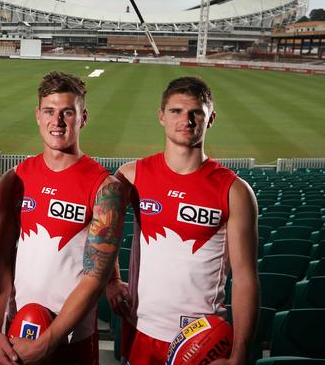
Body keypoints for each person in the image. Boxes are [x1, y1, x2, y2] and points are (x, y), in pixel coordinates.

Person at [107, 76, 259, 365]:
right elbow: (101, 231)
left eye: (196, 113)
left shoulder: (235, 190)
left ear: (210, 118)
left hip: (203, 339)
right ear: (161, 116)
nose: (186, 120)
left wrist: (240, 355)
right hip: (141, 329)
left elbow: (245, 277)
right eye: (176, 111)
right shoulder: (130, 176)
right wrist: (112, 280)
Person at [0, 71, 126, 365]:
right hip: (18, 333)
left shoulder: (105, 187)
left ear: (83, 117)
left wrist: (48, 342)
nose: (57, 122)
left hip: (73, 339)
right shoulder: (14, 179)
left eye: (67, 113)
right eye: (49, 111)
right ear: (38, 115)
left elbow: (95, 277)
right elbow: (0, 260)